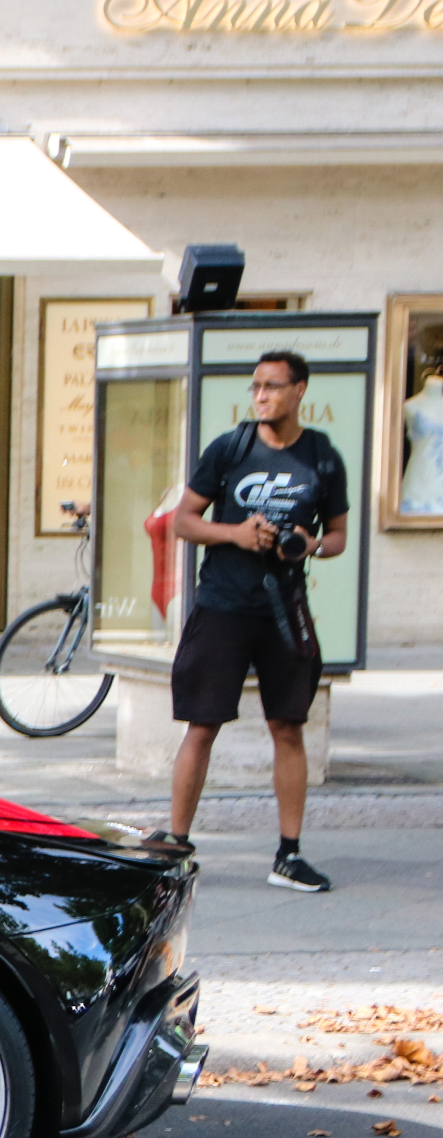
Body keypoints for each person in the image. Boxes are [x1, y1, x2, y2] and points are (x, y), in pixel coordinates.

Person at [160, 349, 349, 892]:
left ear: (299, 391)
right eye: (256, 387)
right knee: (203, 724)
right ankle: (176, 845)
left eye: (272, 386)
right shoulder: (230, 448)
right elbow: (184, 522)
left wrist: (309, 545)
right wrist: (238, 534)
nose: (261, 395)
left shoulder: (322, 456)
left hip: (284, 609)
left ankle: (289, 855)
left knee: (288, 726)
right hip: (223, 604)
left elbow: (337, 536)